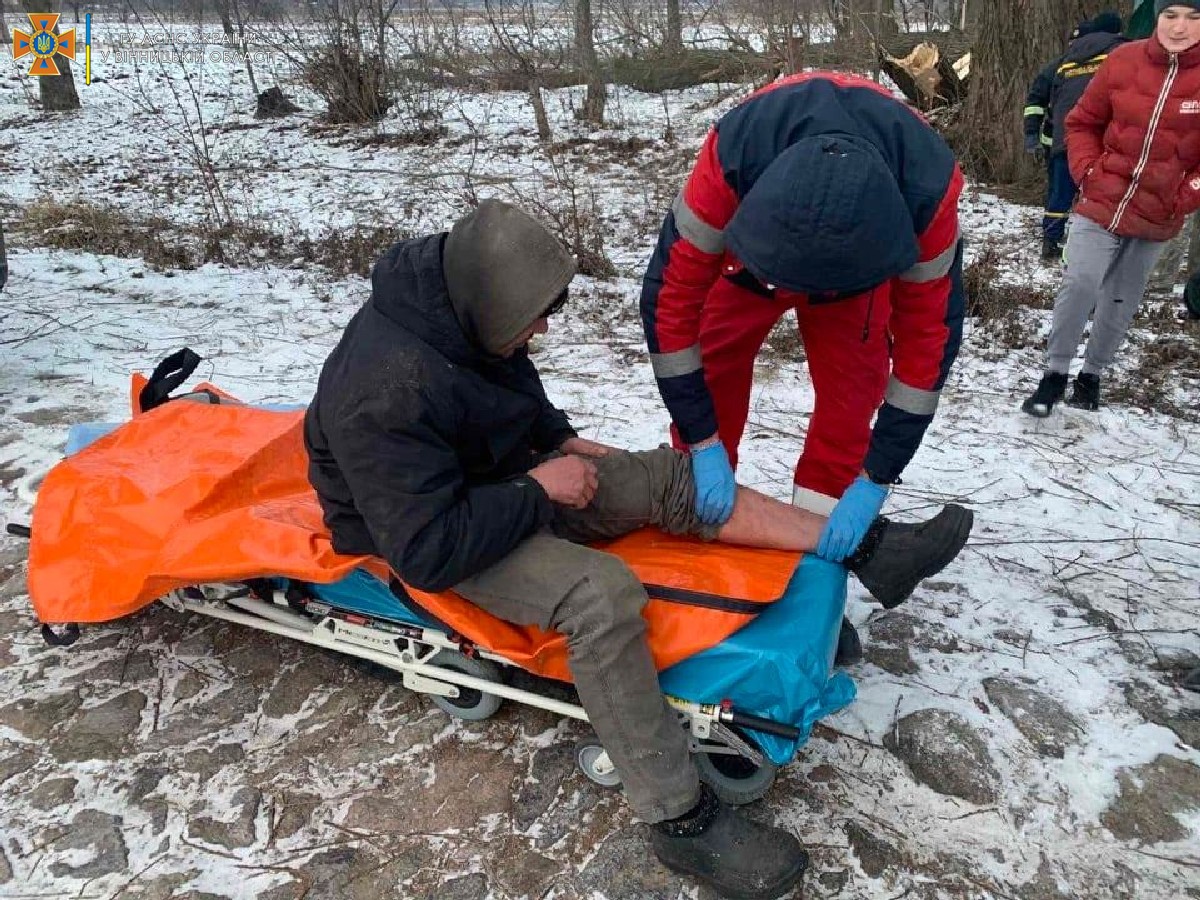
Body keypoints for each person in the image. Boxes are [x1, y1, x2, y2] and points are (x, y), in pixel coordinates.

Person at [304, 200, 973, 900]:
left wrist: (559, 441)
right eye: (533, 319)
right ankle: (680, 822)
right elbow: (426, 550)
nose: (541, 330)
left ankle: (869, 549)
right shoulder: (381, 394)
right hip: (433, 531)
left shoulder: (464, 309)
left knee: (664, 474)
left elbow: (508, 383)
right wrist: (539, 488)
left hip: (491, 478)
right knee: (600, 596)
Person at [638, 71, 967, 659]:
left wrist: (876, 477)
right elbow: (670, 312)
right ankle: (697, 558)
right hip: (749, 263)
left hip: (857, 275)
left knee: (850, 401)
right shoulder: (732, 160)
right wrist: (701, 439)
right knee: (712, 376)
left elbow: (924, 352)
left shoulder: (926, 197)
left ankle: (815, 575)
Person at [1022, 2, 1200, 417]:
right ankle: (1054, 374)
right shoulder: (1123, 60)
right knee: (1081, 281)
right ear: (1155, 19)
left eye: (1193, 18)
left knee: (1122, 298)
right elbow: (1082, 121)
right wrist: (1086, 171)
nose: (1179, 27)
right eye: (1170, 15)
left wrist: (1186, 193)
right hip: (1101, 198)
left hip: (1159, 210)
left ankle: (1092, 377)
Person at [1023, 12, 1126, 261]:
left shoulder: (1064, 61)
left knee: (1059, 194)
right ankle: (1100, 246)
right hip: (1106, 142)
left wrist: (1032, 135)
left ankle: (1051, 241)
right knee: (1101, 194)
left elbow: (1037, 97)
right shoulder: (1124, 55)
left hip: (1064, 142)